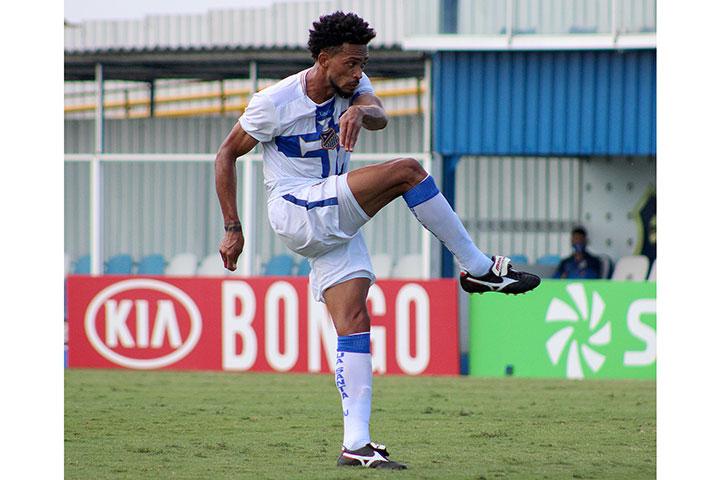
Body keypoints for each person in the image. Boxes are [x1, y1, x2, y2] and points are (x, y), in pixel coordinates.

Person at [215, 11, 540, 470]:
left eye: (362, 62)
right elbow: (226, 153)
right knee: (408, 171)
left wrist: (360, 108)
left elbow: (380, 116)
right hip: (296, 209)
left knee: (353, 322)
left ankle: (357, 443)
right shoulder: (274, 101)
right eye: (349, 63)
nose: (357, 71)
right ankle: (477, 267)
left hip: (330, 217)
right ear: (323, 58)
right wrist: (232, 227)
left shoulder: (353, 84)